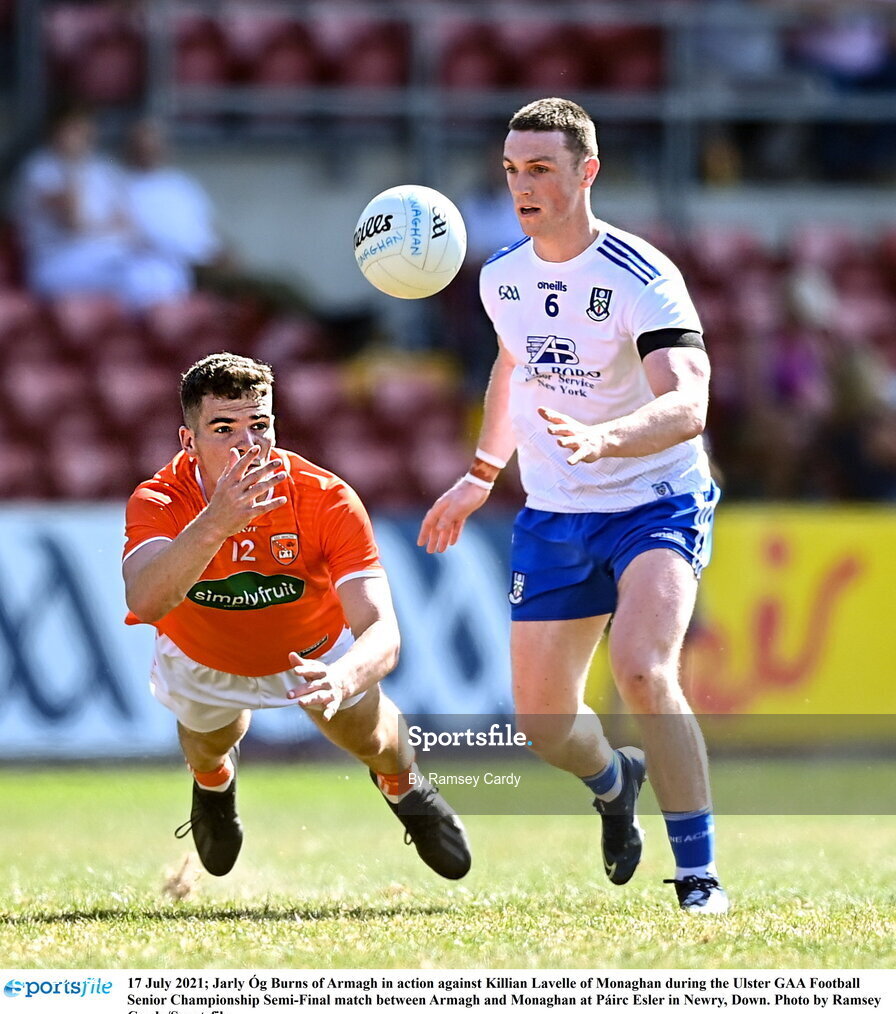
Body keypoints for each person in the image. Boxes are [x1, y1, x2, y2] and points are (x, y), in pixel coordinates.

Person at [419, 97, 727, 914]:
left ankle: (698, 876)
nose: (522, 185)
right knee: (544, 723)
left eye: (541, 168)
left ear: (587, 172)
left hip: (654, 497)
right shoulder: (501, 276)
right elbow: (513, 368)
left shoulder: (643, 277)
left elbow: (689, 404)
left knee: (642, 668)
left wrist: (612, 438)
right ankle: (612, 778)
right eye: (513, 170)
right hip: (555, 512)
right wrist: (482, 473)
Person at [122, 352, 471, 881]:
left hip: (315, 652)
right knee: (208, 741)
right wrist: (216, 521)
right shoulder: (161, 498)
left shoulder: (325, 498)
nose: (247, 443)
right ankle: (214, 785)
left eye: (259, 425)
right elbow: (145, 601)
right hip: (202, 651)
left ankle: (406, 789)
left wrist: (343, 675)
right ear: (188, 441)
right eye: (223, 428)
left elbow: (382, 632)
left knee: (373, 740)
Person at [13, 105, 191, 309]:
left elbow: (127, 224)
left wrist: (98, 229)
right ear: (55, 131)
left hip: (103, 256)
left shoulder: (102, 169)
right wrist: (71, 167)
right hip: (57, 263)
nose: (81, 136)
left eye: (84, 128)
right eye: (73, 129)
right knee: (135, 280)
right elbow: (74, 223)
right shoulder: (38, 169)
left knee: (166, 272)